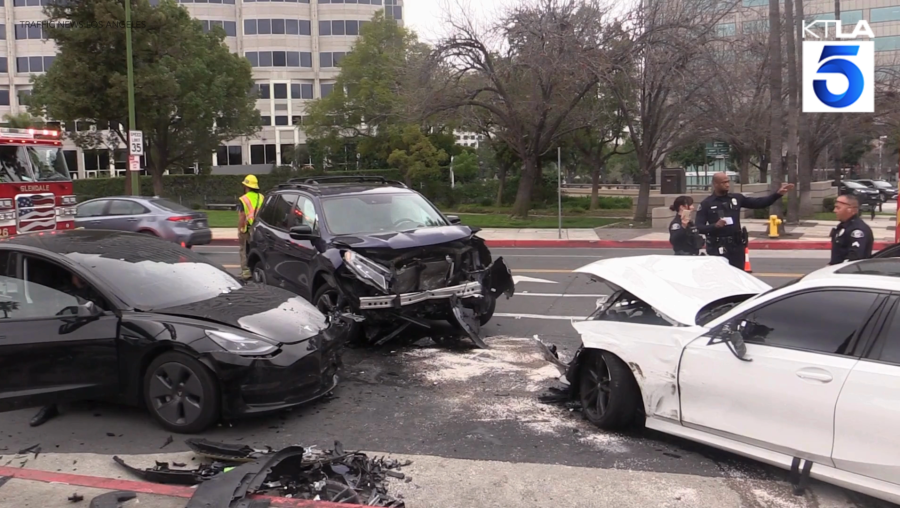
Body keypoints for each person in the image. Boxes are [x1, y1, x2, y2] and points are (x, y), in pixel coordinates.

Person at [30, 273, 103, 427]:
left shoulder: (96, 290)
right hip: (63, 332)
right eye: (77, 275)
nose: (81, 278)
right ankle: (50, 405)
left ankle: (89, 395)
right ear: (71, 274)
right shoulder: (61, 292)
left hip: (90, 332)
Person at [695, 173, 794, 270]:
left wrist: (777, 194)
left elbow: (759, 203)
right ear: (715, 184)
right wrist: (715, 226)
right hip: (718, 246)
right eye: (724, 182)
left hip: (736, 246)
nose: (727, 185)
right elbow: (699, 227)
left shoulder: (736, 198)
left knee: (739, 275)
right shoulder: (706, 204)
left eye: (728, 182)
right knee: (721, 276)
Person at [829, 194, 874, 265]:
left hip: (849, 273)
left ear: (850, 209)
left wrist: (836, 269)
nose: (834, 211)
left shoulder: (858, 230)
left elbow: (855, 257)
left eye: (838, 208)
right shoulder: (842, 226)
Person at [237, 175, 263, 281]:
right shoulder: (261, 197)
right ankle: (255, 269)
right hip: (259, 228)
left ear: (246, 186)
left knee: (243, 250)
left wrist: (240, 228)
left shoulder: (244, 199)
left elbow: (242, 216)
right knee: (255, 250)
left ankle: (246, 272)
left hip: (247, 228)